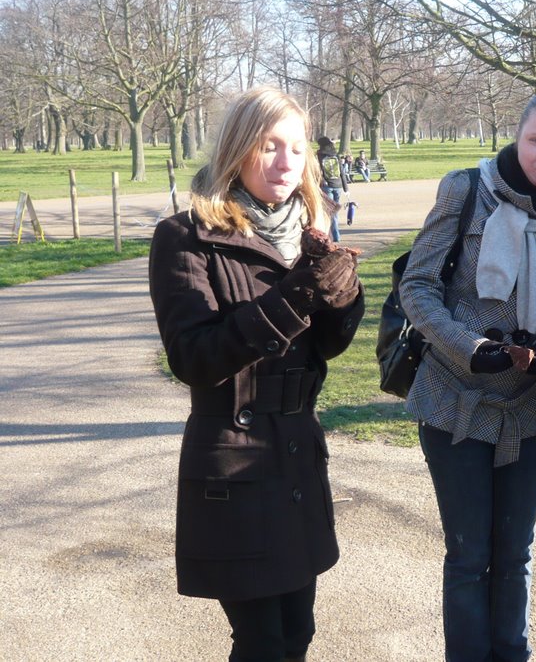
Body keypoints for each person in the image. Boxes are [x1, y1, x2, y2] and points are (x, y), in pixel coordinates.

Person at [148, 86, 365, 662]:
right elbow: (193, 358)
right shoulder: (185, 236)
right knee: (263, 642)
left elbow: (327, 347)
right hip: (232, 460)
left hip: (295, 453)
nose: (286, 162)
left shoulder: (310, 232)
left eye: (297, 148)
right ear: (239, 149)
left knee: (297, 633)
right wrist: (297, 294)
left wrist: (342, 300)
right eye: (270, 146)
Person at [399, 89, 536, 662]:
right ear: (518, 135)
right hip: (452, 401)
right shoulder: (466, 189)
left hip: (527, 409)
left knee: (515, 554)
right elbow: (417, 286)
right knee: (468, 554)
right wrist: (471, 348)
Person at [316, 136, 348, 242]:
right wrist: (346, 188)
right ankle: (335, 234)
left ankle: (332, 234)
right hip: (338, 184)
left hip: (327, 185)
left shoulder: (320, 155)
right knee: (334, 211)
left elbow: (318, 171)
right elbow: (342, 172)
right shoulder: (336, 155)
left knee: (329, 211)